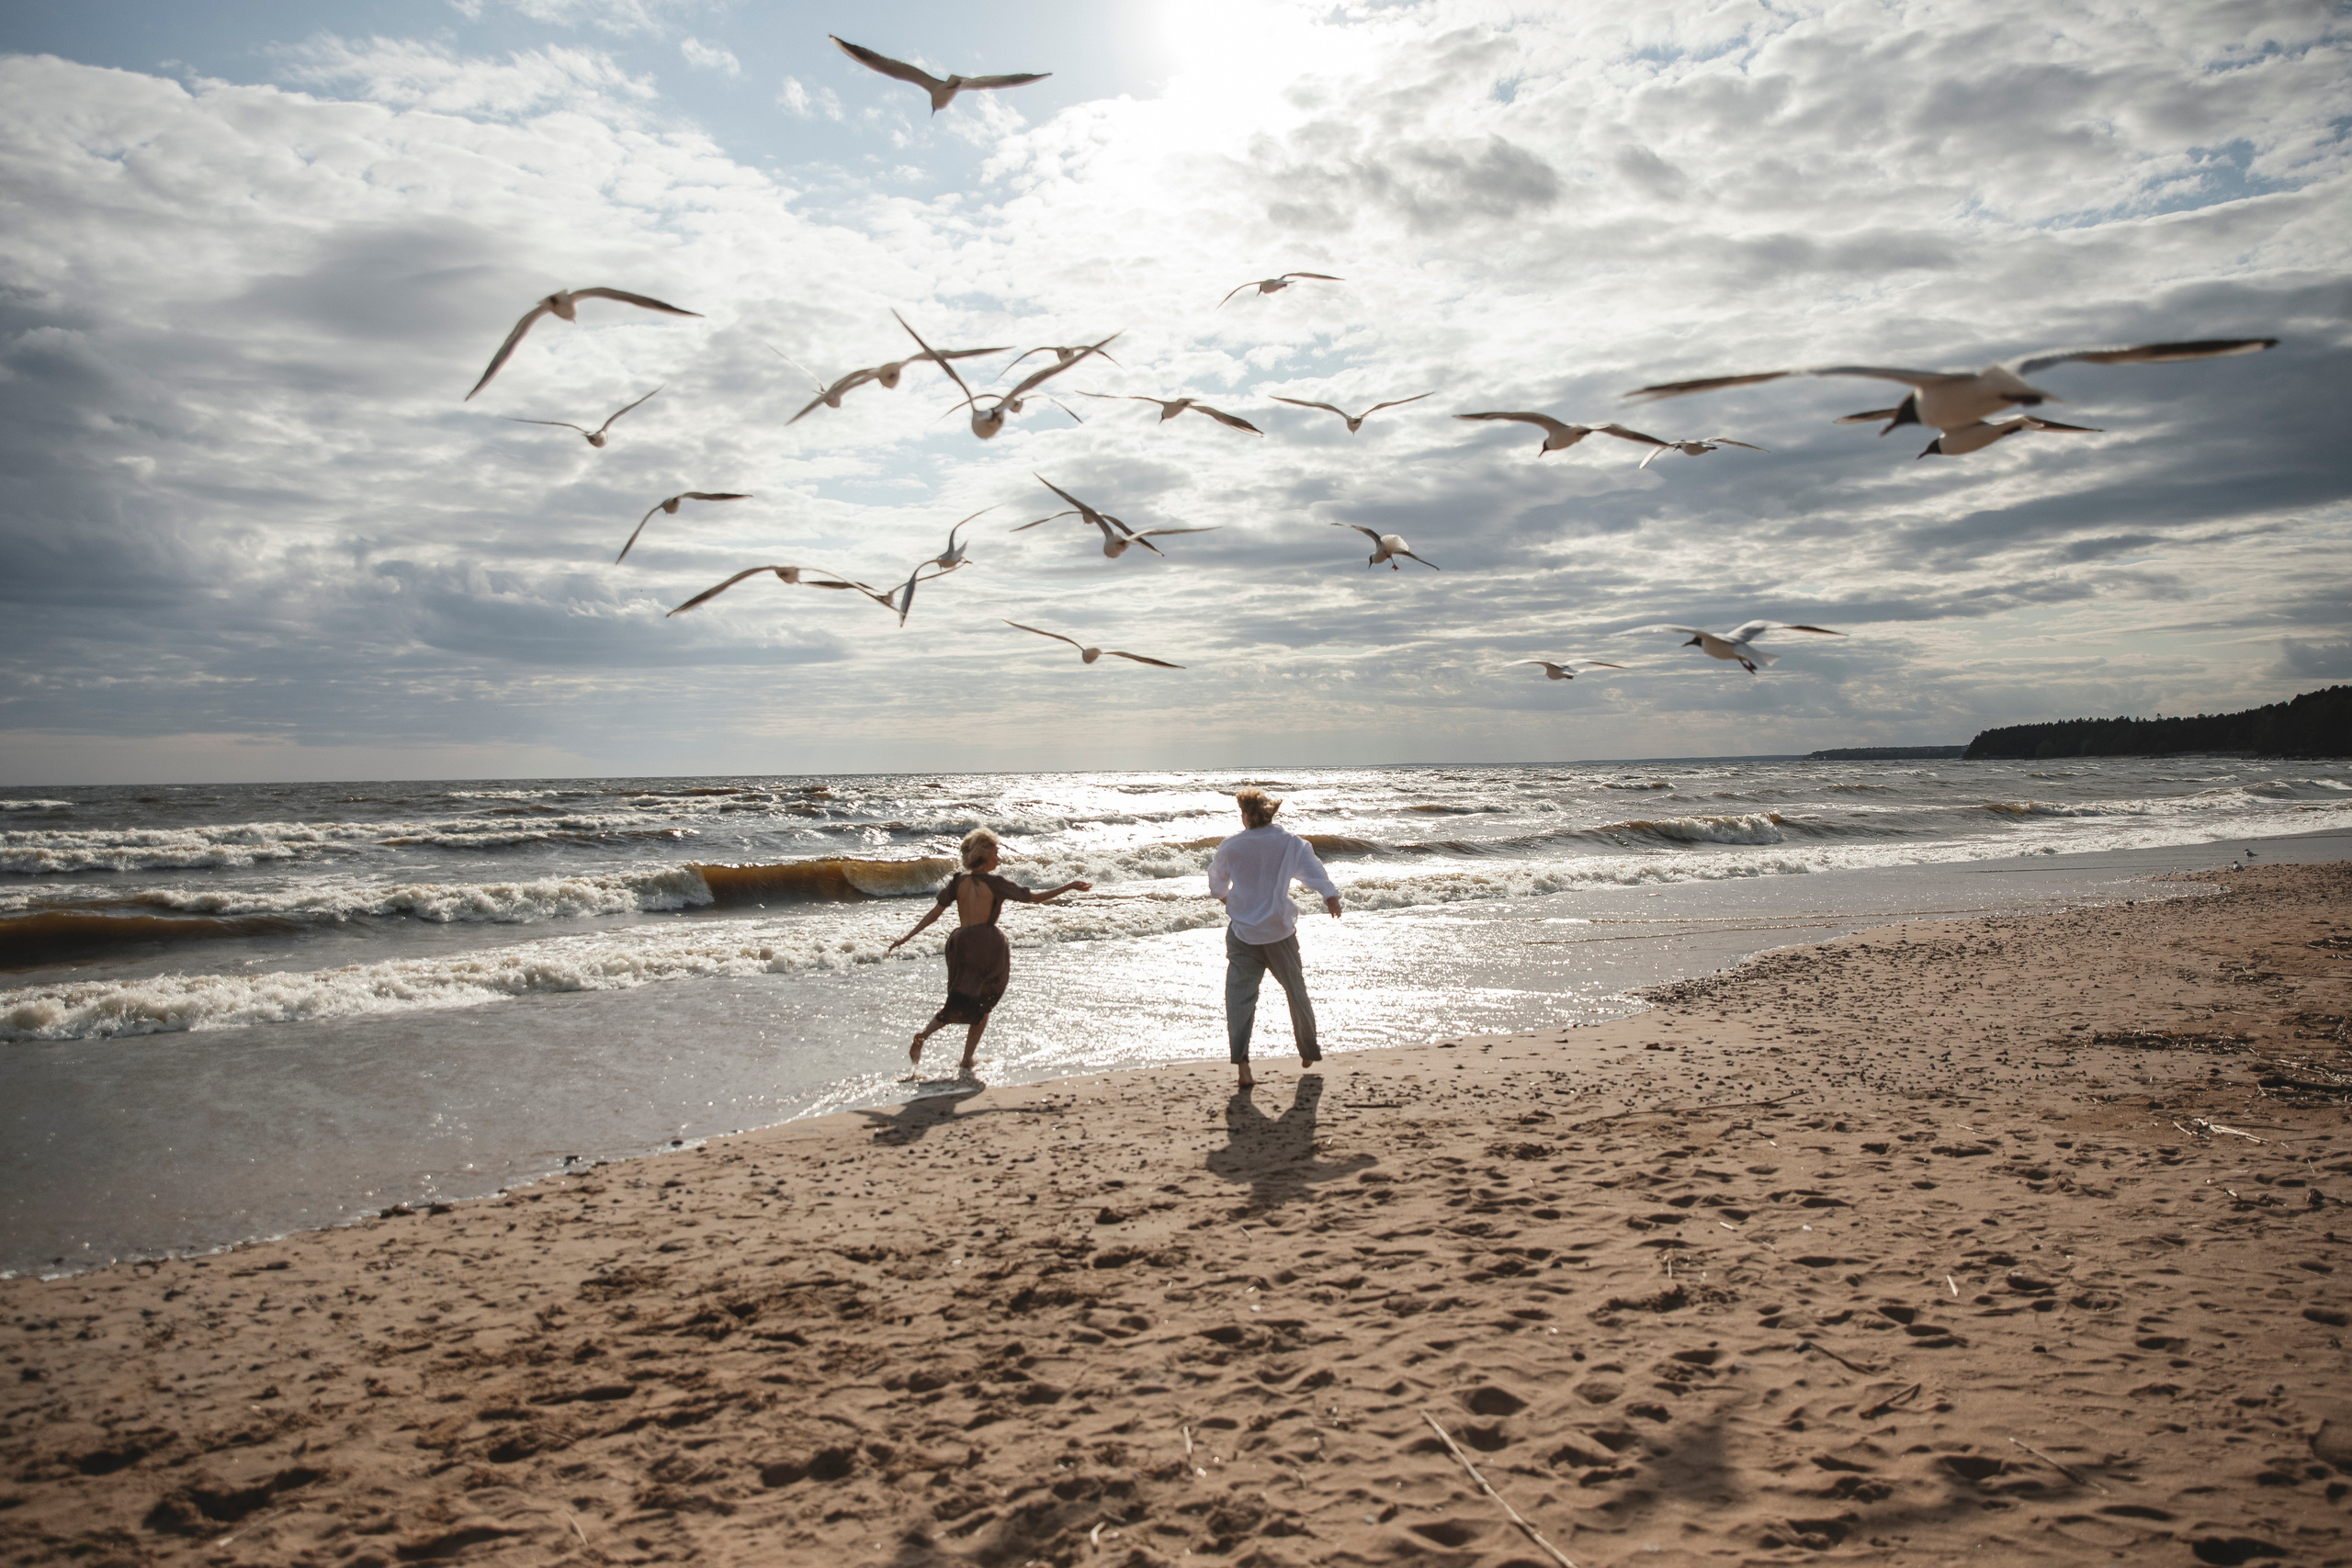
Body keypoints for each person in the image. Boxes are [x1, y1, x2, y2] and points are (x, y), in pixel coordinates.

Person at [889, 828, 1090, 1077]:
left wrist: (907, 936)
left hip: (960, 943)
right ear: (983, 855)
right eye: (996, 853)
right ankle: (966, 1058)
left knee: (959, 997)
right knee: (983, 1003)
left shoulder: (958, 881)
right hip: (987, 944)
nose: (999, 858)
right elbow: (1035, 898)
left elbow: (935, 913)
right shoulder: (996, 884)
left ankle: (925, 1035)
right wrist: (1068, 886)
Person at [1206, 788, 1340, 1089]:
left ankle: (1242, 1066)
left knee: (1239, 1000)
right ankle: (1307, 1050)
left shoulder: (1232, 846)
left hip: (1242, 933)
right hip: (1279, 932)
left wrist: (1229, 900)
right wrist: (1330, 896)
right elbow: (1314, 872)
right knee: (1296, 991)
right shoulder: (1291, 844)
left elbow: (1217, 883)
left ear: (1246, 814)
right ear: (1269, 814)